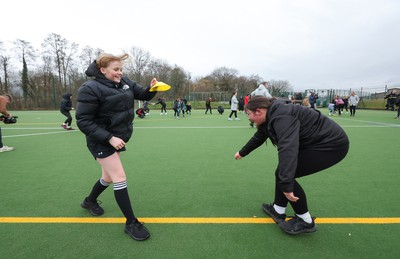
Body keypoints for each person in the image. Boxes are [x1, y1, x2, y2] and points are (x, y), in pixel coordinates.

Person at [234, 96, 349, 235]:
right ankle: (278, 210)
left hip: (331, 146)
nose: (249, 118)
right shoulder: (271, 113)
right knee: (282, 173)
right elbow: (261, 135)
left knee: (285, 175)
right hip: (317, 143)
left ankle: (305, 221)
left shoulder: (282, 117)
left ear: (258, 111)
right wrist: (242, 152)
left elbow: (288, 148)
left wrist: (287, 184)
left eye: (249, 114)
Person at [75, 53, 158, 241]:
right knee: (119, 176)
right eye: (115, 69)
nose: (120, 73)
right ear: (102, 70)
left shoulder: (124, 82)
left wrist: (152, 88)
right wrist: (110, 138)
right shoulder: (89, 88)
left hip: (117, 138)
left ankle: (89, 201)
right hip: (100, 140)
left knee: (108, 177)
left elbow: (143, 94)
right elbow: (83, 121)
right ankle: (131, 222)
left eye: (121, 69)